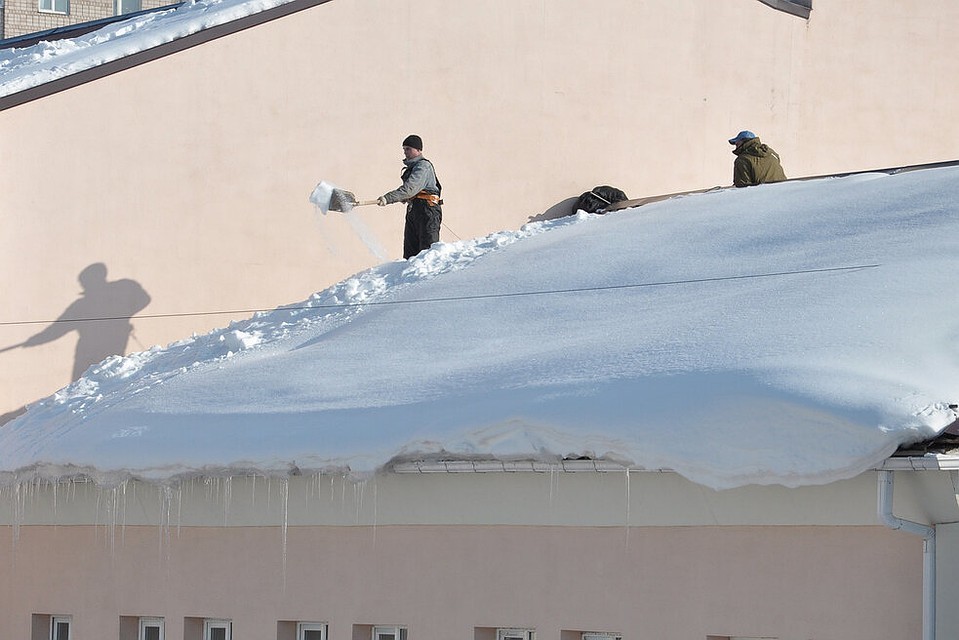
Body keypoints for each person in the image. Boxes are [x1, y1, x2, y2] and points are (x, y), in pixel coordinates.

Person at [377, 134, 443, 259]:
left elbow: (410, 189)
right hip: (414, 210)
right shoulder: (412, 168)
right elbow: (410, 194)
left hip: (427, 211)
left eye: (408, 149)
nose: (405, 152)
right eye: (404, 149)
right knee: (410, 255)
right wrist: (403, 198)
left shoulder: (423, 166)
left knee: (427, 254)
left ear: (418, 150)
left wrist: (388, 198)